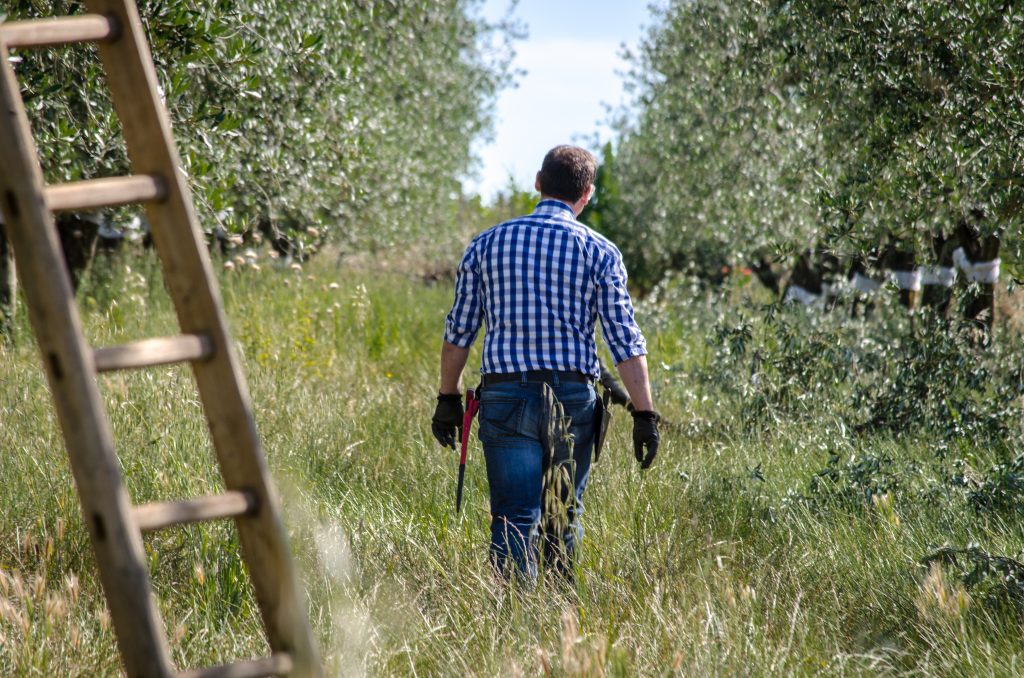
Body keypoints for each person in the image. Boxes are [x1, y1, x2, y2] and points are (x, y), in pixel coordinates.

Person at [431, 145, 659, 581]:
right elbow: (624, 341)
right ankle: (555, 621)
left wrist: (448, 397)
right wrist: (645, 413)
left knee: (513, 521)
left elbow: (459, 331)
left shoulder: (485, 245)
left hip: (505, 396)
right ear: (587, 193)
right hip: (573, 400)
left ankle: (514, 626)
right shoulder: (601, 252)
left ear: (538, 182)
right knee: (560, 519)